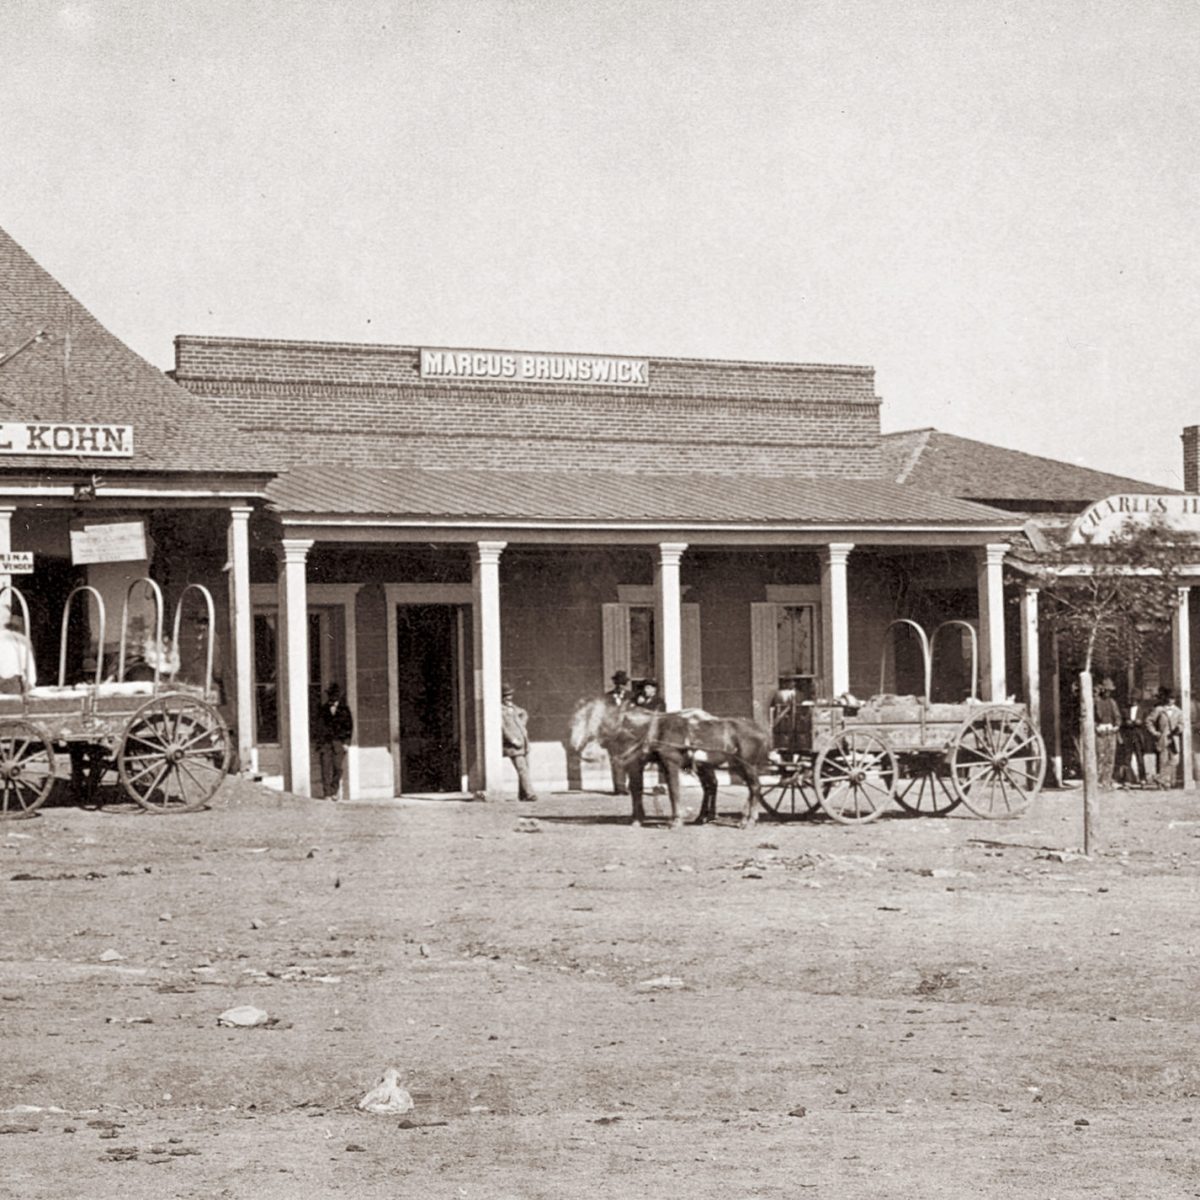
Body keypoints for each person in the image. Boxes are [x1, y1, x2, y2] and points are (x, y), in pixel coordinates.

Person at [313, 682, 353, 800]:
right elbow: (317, 727)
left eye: (335, 695)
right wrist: (319, 743)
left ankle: (334, 791)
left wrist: (346, 742)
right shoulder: (323, 709)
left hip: (338, 743)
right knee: (325, 768)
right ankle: (327, 793)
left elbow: (349, 727)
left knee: (338, 768)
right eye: (331, 695)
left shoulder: (344, 710)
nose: (333, 698)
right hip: (325, 744)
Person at [500, 682, 538, 802]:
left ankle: (523, 794)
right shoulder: (500, 710)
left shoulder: (514, 709)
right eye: (506, 696)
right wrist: (512, 739)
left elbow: (524, 713)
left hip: (523, 743)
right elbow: (502, 728)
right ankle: (530, 793)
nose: (509, 698)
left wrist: (522, 720)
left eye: (510, 695)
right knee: (522, 769)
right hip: (513, 745)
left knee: (525, 769)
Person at [1146, 688, 1183, 790]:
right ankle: (1165, 783)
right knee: (1163, 760)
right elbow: (1149, 721)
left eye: (1173, 699)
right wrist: (1155, 733)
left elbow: (1182, 724)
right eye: (1170, 698)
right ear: (1166, 698)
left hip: (1174, 738)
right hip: (1163, 738)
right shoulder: (1159, 709)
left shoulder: (1178, 711)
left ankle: (1160, 778)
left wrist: (1179, 729)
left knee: (1175, 760)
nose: (1171, 701)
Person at [604, 670, 633, 794]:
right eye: (618, 683)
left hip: (629, 734)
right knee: (615, 760)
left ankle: (631, 786)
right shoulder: (607, 697)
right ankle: (619, 787)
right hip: (613, 734)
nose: (620, 686)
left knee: (630, 760)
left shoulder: (632, 697)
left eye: (622, 683)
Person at [1093, 678, 1122, 791]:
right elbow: (1091, 718)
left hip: (1111, 731)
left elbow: (1117, 716)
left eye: (1110, 691)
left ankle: (1107, 781)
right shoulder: (1096, 702)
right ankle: (1098, 781)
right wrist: (1096, 727)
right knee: (1100, 756)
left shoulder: (1112, 702)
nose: (1108, 693)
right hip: (1100, 731)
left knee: (1110, 757)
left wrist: (1116, 726)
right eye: (1107, 690)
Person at [0, 612, 36, 693]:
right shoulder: (24, 640)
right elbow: (29, 665)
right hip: (14, 682)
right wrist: (31, 684)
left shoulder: (1, 635)